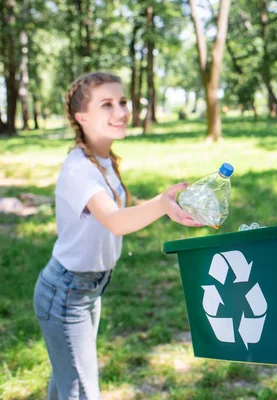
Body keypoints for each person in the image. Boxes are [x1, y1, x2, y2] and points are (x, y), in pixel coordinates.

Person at [33, 72, 202, 400]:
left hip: (85, 289)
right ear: (82, 118)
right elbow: (114, 221)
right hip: (66, 295)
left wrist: (163, 205)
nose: (121, 111)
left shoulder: (102, 159)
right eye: (107, 104)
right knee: (83, 391)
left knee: (68, 384)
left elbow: (115, 212)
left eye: (122, 102)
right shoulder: (79, 169)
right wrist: (160, 205)